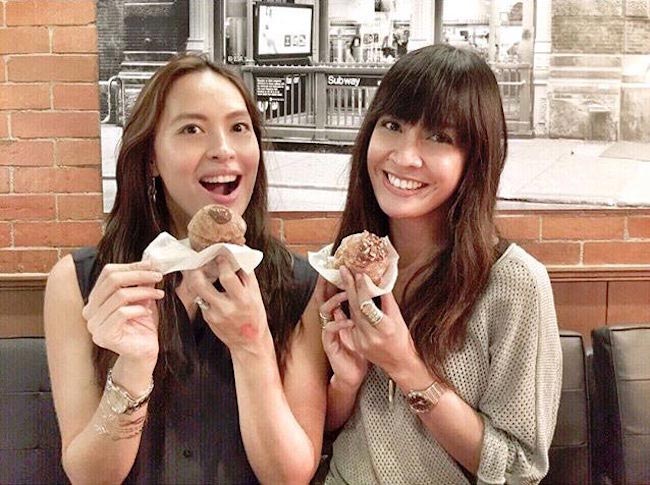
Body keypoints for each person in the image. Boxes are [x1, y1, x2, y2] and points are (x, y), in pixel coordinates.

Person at [44, 54, 328, 484]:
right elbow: (90, 476)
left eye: (239, 128)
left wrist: (252, 347)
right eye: (191, 129)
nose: (223, 149)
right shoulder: (81, 284)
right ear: (152, 158)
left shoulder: (301, 286)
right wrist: (134, 366)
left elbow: (288, 476)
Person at [316, 44, 562, 484]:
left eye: (439, 137)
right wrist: (345, 385)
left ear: (474, 160)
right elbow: (323, 433)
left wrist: (405, 366)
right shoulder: (344, 267)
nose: (405, 156)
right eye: (392, 125)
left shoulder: (514, 283)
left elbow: (519, 468)